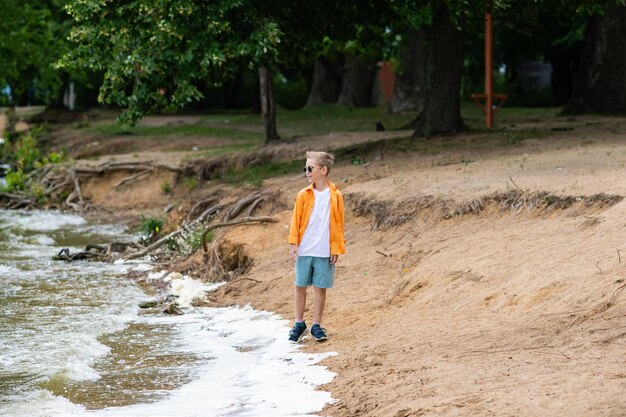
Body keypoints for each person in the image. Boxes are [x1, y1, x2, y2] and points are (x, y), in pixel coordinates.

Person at [287, 151, 346, 342]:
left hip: (324, 250)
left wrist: (337, 247)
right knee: (300, 286)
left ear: (323, 170)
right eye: (305, 168)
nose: (306, 172)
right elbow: (296, 221)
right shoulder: (303, 195)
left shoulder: (335, 196)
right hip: (305, 249)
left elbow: (339, 224)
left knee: (320, 288)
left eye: (310, 168)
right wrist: (293, 244)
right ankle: (299, 323)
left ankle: (316, 325)